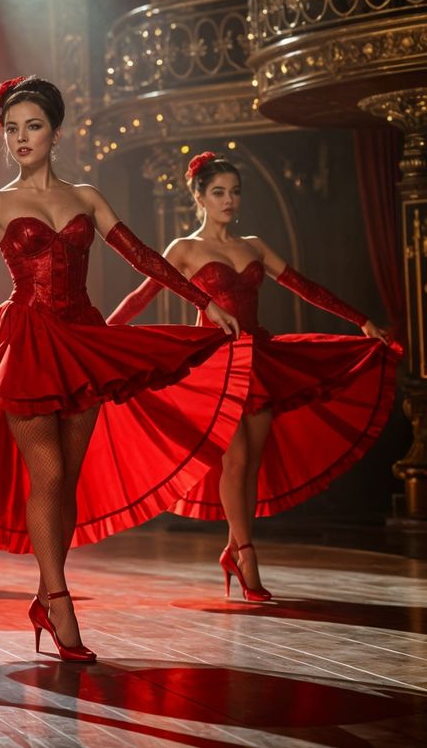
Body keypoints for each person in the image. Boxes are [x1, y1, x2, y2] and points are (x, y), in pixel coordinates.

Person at [0, 76, 248, 662]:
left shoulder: (87, 197)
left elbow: (141, 254)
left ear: (55, 132)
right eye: (11, 128)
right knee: (45, 474)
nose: (20, 137)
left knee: (66, 479)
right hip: (24, 343)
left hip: (83, 341)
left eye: (32, 126)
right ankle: (60, 599)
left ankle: (47, 591)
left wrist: (206, 301)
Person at [108, 152, 397, 601]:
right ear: (199, 197)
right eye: (219, 192)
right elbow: (142, 294)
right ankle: (246, 552)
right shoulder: (183, 249)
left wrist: (361, 321)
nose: (229, 200)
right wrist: (103, 337)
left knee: (252, 466)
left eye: (235, 191)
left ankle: (231, 549)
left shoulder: (254, 245)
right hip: (215, 365)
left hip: (259, 358)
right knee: (236, 460)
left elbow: (307, 287)